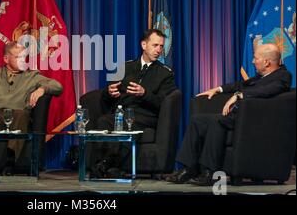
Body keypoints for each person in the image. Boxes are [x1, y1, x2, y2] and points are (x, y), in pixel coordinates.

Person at [167, 43, 292, 186]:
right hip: (240, 117)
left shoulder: (283, 76)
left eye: (255, 58)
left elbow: (267, 91)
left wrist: (239, 95)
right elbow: (240, 85)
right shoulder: (261, 77)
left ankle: (210, 172)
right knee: (197, 120)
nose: (252, 61)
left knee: (217, 121)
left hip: (255, 122)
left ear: (267, 62)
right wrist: (217, 89)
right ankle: (187, 169)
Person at [0, 41, 63, 175]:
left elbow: (58, 86)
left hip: (16, 118)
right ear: (6, 59)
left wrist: (42, 89)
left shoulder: (32, 76)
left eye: (25, 57)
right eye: (19, 57)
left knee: (22, 114)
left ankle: (10, 160)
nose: (23, 60)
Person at [91, 29, 177, 178]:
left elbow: (163, 103)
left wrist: (145, 94)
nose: (159, 50)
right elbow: (108, 92)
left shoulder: (165, 73)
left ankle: (108, 165)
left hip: (146, 116)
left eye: (161, 46)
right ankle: (105, 164)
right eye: (155, 45)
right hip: (122, 112)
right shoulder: (125, 66)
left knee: (123, 123)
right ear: (144, 45)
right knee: (103, 121)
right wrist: (108, 92)